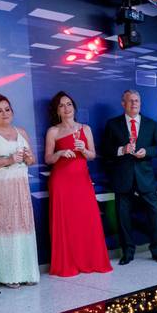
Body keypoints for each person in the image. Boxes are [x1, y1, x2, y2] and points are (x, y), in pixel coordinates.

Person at [45, 91, 112, 277]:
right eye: (61, 105)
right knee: (66, 222)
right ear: (57, 111)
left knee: (86, 220)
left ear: (74, 107)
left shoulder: (85, 129)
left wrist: (83, 150)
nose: (66, 108)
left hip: (82, 180)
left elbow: (92, 155)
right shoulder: (53, 131)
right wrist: (59, 154)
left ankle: (89, 260)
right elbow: (48, 159)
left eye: (69, 104)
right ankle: (68, 263)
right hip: (61, 182)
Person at [0, 94, 39, 288]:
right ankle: (8, 275)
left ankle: (26, 271)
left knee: (23, 226)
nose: (4, 113)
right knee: (5, 228)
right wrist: (8, 160)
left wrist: (28, 158)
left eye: (7, 109)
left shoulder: (21, 131)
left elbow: (32, 160)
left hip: (20, 186)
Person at [102, 90, 157, 266]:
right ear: (123, 103)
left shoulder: (151, 124)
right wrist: (121, 150)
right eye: (130, 101)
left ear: (140, 103)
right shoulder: (112, 124)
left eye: (137, 100)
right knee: (123, 217)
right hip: (123, 178)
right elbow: (105, 150)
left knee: (154, 215)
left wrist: (147, 152)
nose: (134, 104)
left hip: (145, 177)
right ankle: (128, 252)